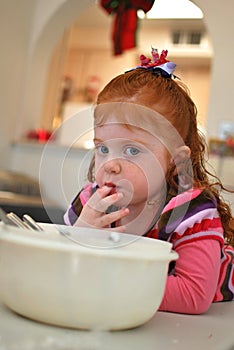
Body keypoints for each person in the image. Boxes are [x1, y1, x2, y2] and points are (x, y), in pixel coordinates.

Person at [64, 49, 234, 314]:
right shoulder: (91, 202)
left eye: (132, 150)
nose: (111, 164)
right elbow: (63, 270)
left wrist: (104, 278)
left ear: (175, 161)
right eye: (103, 148)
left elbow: (193, 296)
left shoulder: (191, 212)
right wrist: (80, 235)